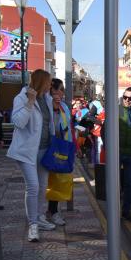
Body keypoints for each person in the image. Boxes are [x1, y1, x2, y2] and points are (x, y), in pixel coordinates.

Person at [7, 69, 57, 242]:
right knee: (33, 186)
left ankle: (40, 217)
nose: (51, 85)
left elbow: (48, 124)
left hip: (44, 150)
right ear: (41, 82)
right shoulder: (21, 98)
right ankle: (33, 225)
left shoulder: (48, 100)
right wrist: (30, 102)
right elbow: (19, 122)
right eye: (49, 82)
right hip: (26, 151)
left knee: (42, 187)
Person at [104, 87, 131, 222]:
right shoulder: (115, 110)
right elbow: (105, 130)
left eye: (130, 98)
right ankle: (112, 211)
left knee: (129, 184)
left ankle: (126, 211)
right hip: (117, 153)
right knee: (114, 183)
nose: (127, 100)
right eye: (124, 97)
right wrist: (109, 148)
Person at [45, 78, 75, 226]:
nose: (61, 93)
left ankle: (53, 211)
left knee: (58, 180)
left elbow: (67, 127)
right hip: (46, 148)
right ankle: (39, 214)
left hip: (61, 148)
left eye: (62, 90)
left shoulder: (64, 107)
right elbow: (51, 125)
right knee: (43, 182)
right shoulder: (46, 105)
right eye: (58, 90)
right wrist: (54, 107)